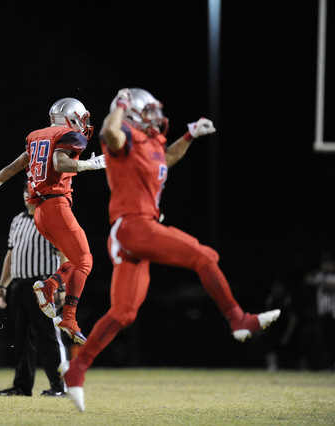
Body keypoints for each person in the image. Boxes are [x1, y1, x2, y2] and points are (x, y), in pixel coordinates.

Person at [59, 88, 281, 412]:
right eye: (145, 110)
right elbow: (108, 130)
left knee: (124, 313)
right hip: (133, 225)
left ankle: (76, 370)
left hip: (137, 231)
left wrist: (189, 136)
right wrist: (119, 104)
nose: (153, 116)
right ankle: (238, 319)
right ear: (131, 112)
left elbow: (168, 160)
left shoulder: (152, 141)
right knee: (205, 257)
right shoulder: (123, 136)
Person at [0, 97, 106, 345]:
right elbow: (60, 162)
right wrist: (92, 164)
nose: (85, 124)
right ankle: (64, 311)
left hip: (40, 213)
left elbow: (16, 165)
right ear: (72, 117)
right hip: (56, 205)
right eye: (83, 118)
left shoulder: (37, 136)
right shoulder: (70, 135)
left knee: (77, 261)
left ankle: (52, 292)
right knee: (85, 261)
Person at [0, 184, 69, 397]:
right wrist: (2, 286)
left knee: (48, 337)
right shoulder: (17, 220)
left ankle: (59, 385)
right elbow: (11, 255)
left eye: (33, 191)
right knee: (20, 338)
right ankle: (21, 386)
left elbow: (63, 252)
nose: (29, 195)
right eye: (26, 191)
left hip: (44, 285)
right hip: (19, 285)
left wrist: (61, 287)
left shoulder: (48, 218)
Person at [303, 250, 335, 370]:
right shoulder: (321, 275)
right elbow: (308, 279)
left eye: (329, 263)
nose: (326, 266)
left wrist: (320, 281)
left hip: (333, 314)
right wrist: (318, 278)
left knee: (332, 341)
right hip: (322, 315)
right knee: (325, 342)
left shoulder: (327, 277)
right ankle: (327, 365)